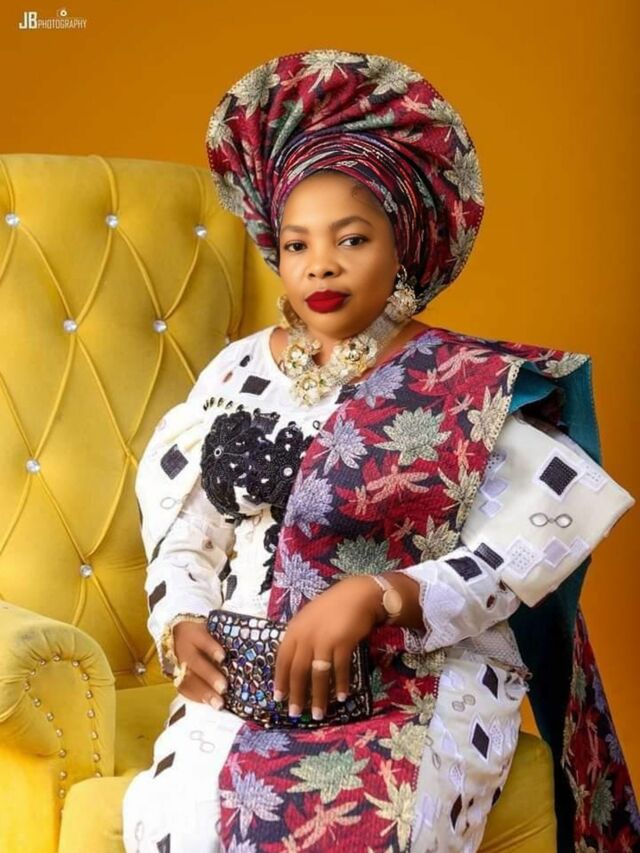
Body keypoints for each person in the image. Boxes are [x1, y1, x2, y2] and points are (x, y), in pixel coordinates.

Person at [122, 50, 637, 852]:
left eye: (352, 238)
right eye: (297, 244)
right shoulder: (234, 374)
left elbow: (522, 548)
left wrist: (380, 594)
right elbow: (188, 526)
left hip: (418, 682)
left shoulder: (467, 381)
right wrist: (182, 618)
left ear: (404, 245)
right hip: (245, 682)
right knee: (183, 825)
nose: (320, 265)